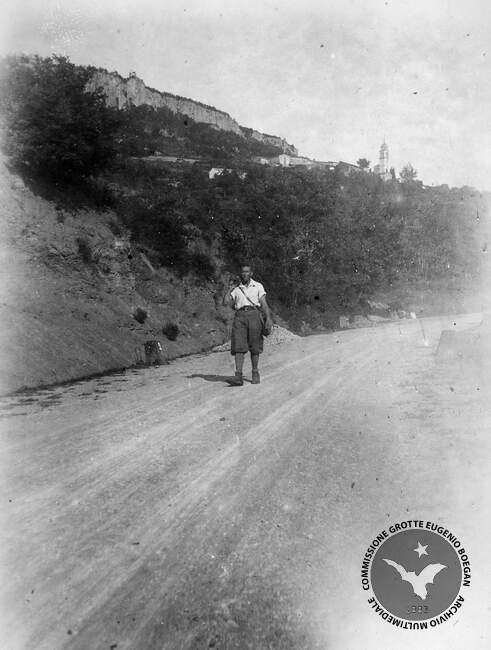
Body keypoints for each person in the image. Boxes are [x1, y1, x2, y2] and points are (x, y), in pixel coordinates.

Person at [222, 263, 273, 385]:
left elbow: (264, 304)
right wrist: (230, 289)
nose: (244, 274)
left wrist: (268, 318)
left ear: (251, 273)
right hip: (240, 316)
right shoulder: (236, 288)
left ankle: (255, 372)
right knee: (238, 346)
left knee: (255, 345)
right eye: (243, 272)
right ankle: (238, 376)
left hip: (254, 315)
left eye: (247, 272)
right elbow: (225, 302)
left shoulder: (258, 286)